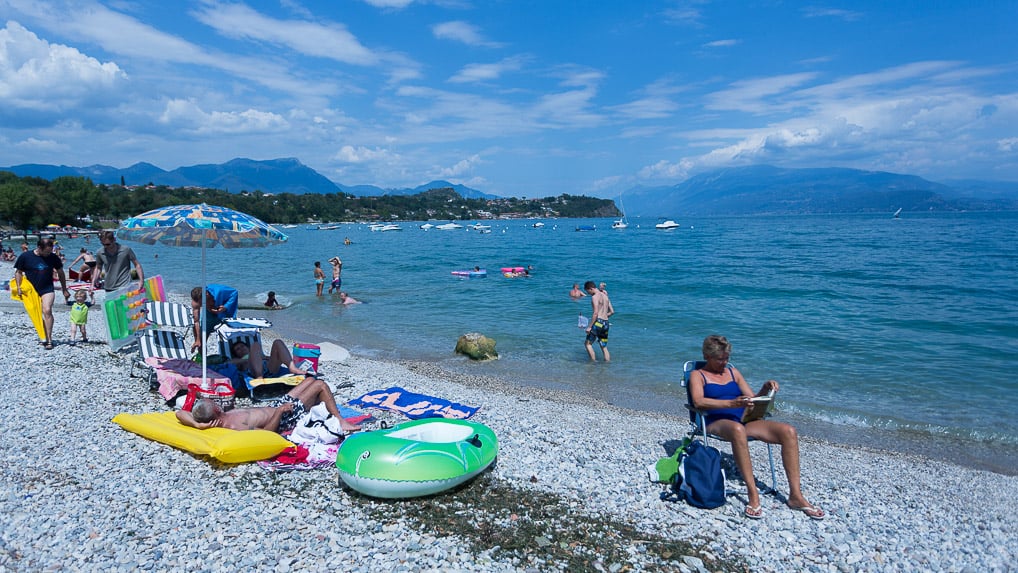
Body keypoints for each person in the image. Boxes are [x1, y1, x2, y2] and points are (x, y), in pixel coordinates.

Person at [688, 334, 825, 521]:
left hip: (743, 420)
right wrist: (730, 404)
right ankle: (753, 494)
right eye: (720, 359)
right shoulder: (698, 375)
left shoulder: (733, 372)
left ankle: (796, 496)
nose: (724, 362)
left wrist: (765, 390)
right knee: (737, 430)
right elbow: (698, 401)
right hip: (715, 421)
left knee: (788, 431)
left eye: (727, 358)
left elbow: (751, 399)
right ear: (707, 356)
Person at [176, 376, 361, 433]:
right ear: (215, 409)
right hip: (284, 417)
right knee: (320, 385)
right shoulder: (233, 425)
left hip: (278, 405)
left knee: (310, 379)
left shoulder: (216, 416)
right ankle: (339, 420)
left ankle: (320, 409)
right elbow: (266, 433)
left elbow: (179, 414)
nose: (215, 399)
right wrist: (279, 412)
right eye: (212, 401)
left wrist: (196, 424)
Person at [13, 237, 69, 349]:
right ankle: (42, 335)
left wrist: (64, 289)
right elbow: (18, 272)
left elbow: (61, 273)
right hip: (31, 290)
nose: (49, 254)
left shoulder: (53, 258)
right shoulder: (25, 256)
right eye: (47, 251)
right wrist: (19, 287)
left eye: (50, 251)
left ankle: (49, 339)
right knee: (37, 313)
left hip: (47, 288)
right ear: (39, 248)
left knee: (47, 310)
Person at [228, 338, 316, 379]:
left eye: (242, 346)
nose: (241, 349)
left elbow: (276, 358)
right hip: (253, 371)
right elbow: (230, 362)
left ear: (247, 347)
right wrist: (251, 358)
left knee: (278, 342)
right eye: (237, 349)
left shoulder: (256, 352)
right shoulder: (239, 360)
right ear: (236, 354)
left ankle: (292, 367)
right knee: (255, 344)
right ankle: (259, 376)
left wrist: (264, 357)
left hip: (269, 369)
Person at [190, 284, 239, 352]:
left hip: (224, 313)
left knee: (227, 336)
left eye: (203, 302)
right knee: (201, 339)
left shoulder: (219, 290)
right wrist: (197, 339)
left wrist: (226, 307)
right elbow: (196, 321)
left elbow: (234, 293)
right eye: (201, 304)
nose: (202, 305)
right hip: (209, 315)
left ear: (206, 294)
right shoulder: (196, 302)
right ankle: (203, 359)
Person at [583, 280, 611, 362]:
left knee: (588, 344)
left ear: (590, 288)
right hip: (606, 323)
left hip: (598, 323)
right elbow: (612, 312)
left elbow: (595, 313)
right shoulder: (605, 296)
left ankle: (592, 364)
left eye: (587, 291)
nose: (588, 293)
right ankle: (607, 365)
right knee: (604, 346)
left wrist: (589, 327)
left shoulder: (594, 297)